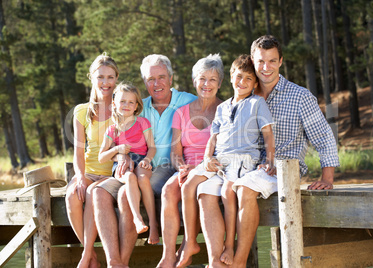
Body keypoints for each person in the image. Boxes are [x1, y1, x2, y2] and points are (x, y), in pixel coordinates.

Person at [198, 35, 340, 268]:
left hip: (283, 168)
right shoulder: (244, 97)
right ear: (252, 62)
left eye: (272, 61)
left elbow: (324, 137)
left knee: (243, 188)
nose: (266, 68)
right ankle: (216, 260)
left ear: (281, 62)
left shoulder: (300, 97)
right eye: (261, 62)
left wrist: (327, 177)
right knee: (204, 190)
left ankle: (239, 262)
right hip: (243, 167)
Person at [93, 54, 197, 267]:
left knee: (125, 194)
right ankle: (115, 261)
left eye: (161, 77)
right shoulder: (138, 107)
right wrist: (121, 154)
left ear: (170, 78)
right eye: (151, 79)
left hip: (168, 168)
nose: (156, 83)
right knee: (98, 193)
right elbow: (118, 139)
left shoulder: (188, 101)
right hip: (130, 166)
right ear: (144, 83)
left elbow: (213, 112)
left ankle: (121, 262)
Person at [179, 54, 275, 267]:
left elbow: (268, 133)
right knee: (189, 186)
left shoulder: (257, 103)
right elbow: (213, 136)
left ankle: (230, 247)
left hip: (242, 160)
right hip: (219, 159)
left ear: (255, 83)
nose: (242, 82)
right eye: (239, 77)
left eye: (249, 79)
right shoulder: (222, 108)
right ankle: (190, 241)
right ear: (231, 77)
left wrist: (270, 159)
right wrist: (207, 157)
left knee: (226, 192)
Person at [157, 54, 223, 268]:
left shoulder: (225, 110)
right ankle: (168, 255)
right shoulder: (181, 112)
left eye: (213, 79)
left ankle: (188, 244)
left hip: (213, 169)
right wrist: (182, 167)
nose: (207, 84)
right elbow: (176, 152)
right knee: (168, 190)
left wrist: (200, 168)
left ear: (220, 83)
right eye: (202, 78)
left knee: (199, 190)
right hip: (187, 169)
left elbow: (226, 150)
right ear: (195, 81)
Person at [65, 52, 119, 268]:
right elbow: (79, 152)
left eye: (110, 77)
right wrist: (79, 176)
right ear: (91, 78)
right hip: (88, 170)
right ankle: (92, 255)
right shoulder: (81, 111)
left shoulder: (122, 107)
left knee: (90, 193)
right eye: (100, 77)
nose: (105, 83)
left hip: (110, 174)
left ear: (116, 79)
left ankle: (87, 255)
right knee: (72, 196)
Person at [98, 82, 158, 243]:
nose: (126, 105)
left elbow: (152, 147)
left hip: (141, 159)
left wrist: (147, 159)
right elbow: (102, 156)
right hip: (121, 163)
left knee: (143, 179)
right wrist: (117, 150)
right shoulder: (112, 130)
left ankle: (153, 225)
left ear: (137, 105)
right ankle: (138, 218)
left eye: (131, 102)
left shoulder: (143, 123)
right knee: (130, 178)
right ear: (114, 104)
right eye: (122, 101)